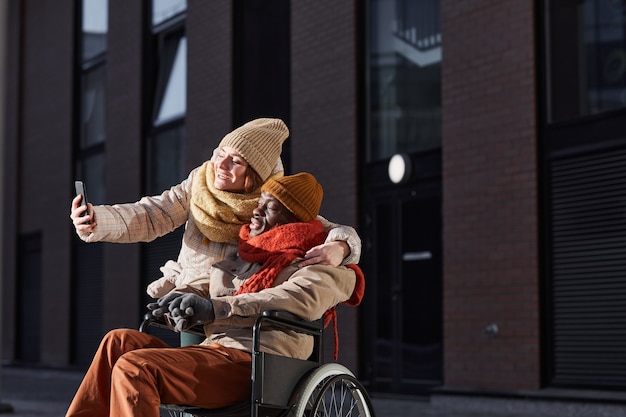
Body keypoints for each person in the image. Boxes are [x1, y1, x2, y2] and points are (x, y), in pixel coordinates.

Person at [65, 172, 365, 417]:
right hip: (215, 351)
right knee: (118, 342)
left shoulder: (321, 266)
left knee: (136, 368)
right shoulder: (246, 257)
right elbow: (206, 286)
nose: (256, 211)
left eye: (270, 207)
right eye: (259, 202)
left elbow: (294, 298)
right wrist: (178, 300)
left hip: (256, 365)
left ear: (293, 219)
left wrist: (216, 308)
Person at [70, 118, 361, 301]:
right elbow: (152, 215)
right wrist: (98, 221)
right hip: (187, 295)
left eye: (235, 161)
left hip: (231, 302)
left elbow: (323, 228)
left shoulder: (272, 201)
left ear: (255, 175)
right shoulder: (200, 182)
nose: (220, 166)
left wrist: (340, 247)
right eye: (221, 154)